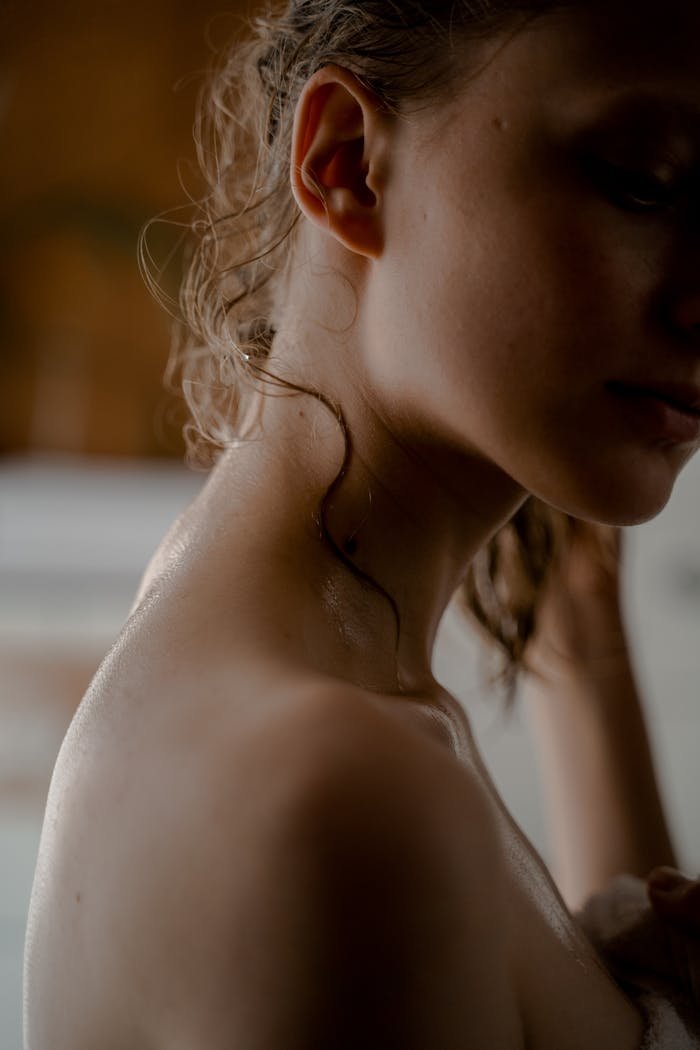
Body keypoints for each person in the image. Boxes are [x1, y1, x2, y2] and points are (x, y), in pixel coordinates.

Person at [23, 0, 700, 1047]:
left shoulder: (272, 649)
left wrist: (579, 631)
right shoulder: (346, 793)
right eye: (644, 181)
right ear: (346, 162)